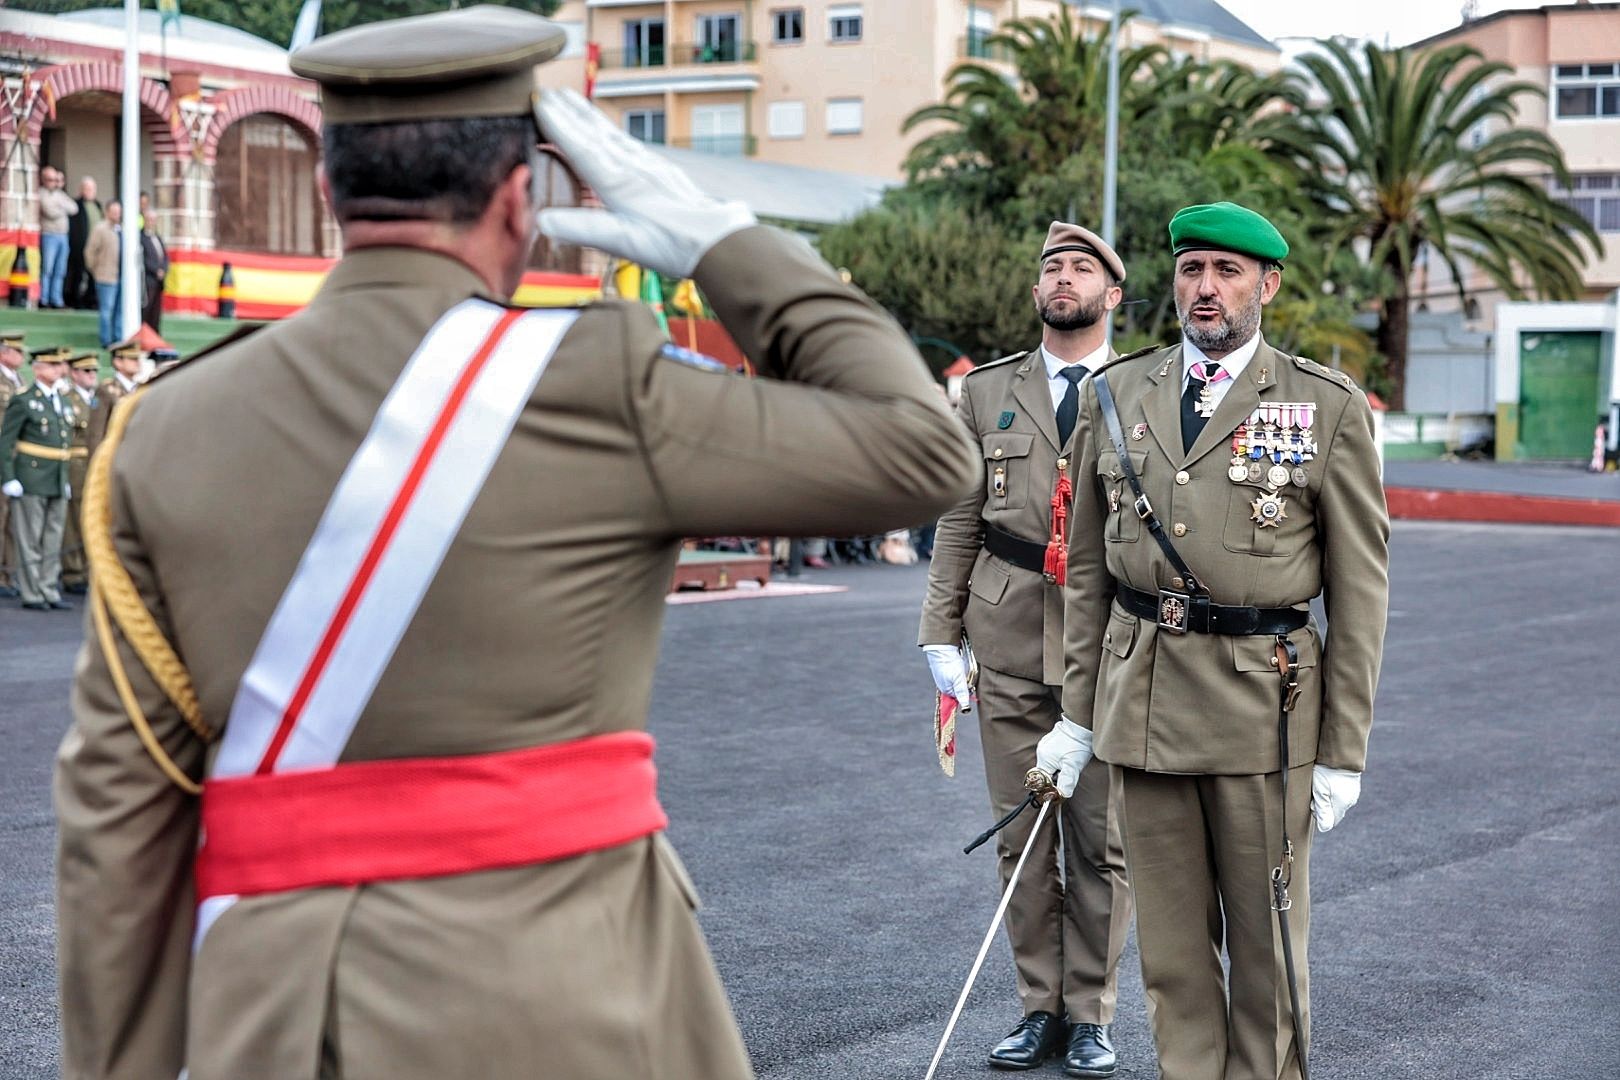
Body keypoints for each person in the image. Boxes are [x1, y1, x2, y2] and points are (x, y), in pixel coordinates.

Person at [53, 8, 976, 1080]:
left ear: (328, 193)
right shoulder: (602, 383)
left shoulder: (163, 423)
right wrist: (721, 242)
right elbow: (922, 452)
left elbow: (119, 809)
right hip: (571, 997)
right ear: (517, 198)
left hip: (279, 1017)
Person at [1041, 202, 1389, 1080]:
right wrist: (1075, 716)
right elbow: (1087, 575)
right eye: (1193, 268)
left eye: (1228, 272)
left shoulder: (1326, 406)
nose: (1207, 288)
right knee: (1172, 956)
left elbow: (1360, 597)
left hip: (1261, 713)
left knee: (1269, 951)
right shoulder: (1116, 394)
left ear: (1266, 286)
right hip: (1143, 705)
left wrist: (1343, 751)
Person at [919, 221, 1134, 1076]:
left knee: (1099, 840)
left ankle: (1090, 1013)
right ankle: (1037, 1008)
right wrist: (939, 630)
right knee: (1021, 839)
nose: (1063, 277)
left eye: (1082, 267)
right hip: (1005, 633)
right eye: (1051, 266)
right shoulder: (986, 391)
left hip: (1110, 643)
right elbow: (960, 516)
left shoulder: (1142, 386)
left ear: (1112, 295)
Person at [0, 346, 74, 611]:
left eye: (60, 365)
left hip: (57, 475)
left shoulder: (63, 400)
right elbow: (6, 441)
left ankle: (48, 588)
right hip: (31, 475)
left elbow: (64, 441)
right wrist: (8, 477)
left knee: (53, 537)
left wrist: (64, 477)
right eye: (52, 364)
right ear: (38, 368)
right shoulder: (24, 399)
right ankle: (32, 592)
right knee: (30, 537)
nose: (58, 369)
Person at [57, 353, 99, 594]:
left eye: (93, 371)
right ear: (74, 374)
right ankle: (73, 572)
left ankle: (88, 568)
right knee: (73, 520)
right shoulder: (67, 399)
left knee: (91, 518)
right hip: (75, 464)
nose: (91, 375)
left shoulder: (97, 399)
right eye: (86, 372)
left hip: (93, 463)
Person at [0, 330, 26, 598]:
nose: (21, 356)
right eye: (16, 351)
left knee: (10, 520)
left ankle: (8, 573)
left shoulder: (19, 379)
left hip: (14, 455)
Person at [89, 340, 142, 456]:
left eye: (138, 358)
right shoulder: (105, 390)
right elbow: (96, 432)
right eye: (132, 359)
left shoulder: (141, 389)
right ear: (118, 362)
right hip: (115, 455)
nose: (137, 362)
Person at [37, 166, 79, 309]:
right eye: (50, 179)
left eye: (56, 180)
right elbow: (49, 211)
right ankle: (44, 299)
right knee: (47, 269)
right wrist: (62, 208)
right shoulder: (41, 194)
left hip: (63, 236)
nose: (53, 182)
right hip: (49, 235)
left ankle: (57, 300)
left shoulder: (59, 194)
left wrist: (60, 207)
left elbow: (74, 208)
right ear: (43, 180)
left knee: (60, 270)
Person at [84, 199, 123, 347]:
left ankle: (118, 338)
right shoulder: (100, 229)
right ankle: (106, 340)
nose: (116, 215)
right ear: (107, 212)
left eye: (118, 212)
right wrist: (95, 270)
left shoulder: (121, 229)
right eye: (114, 212)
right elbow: (89, 252)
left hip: (120, 276)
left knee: (119, 310)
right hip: (105, 276)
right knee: (107, 310)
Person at [66, 176, 102, 310]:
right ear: (81, 190)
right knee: (78, 274)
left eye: (91, 189)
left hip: (96, 248)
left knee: (93, 276)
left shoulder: (97, 205)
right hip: (81, 246)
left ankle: (91, 300)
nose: (89, 191)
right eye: (86, 188)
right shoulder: (76, 205)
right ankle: (75, 300)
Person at [139, 191, 169, 332]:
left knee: (156, 313)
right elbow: (143, 259)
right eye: (149, 219)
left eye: (153, 220)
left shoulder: (157, 237)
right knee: (146, 310)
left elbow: (164, 256)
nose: (151, 222)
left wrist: (163, 269)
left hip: (158, 281)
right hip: (148, 280)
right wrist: (156, 270)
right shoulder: (141, 237)